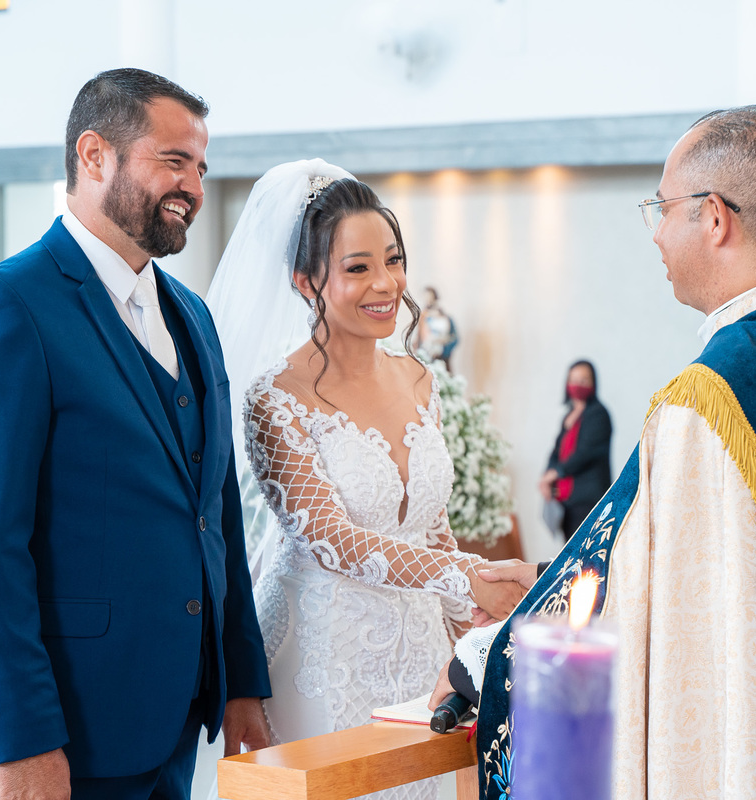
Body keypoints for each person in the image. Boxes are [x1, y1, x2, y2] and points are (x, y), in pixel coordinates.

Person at [434, 105, 756, 799]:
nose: (657, 233)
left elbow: (655, 611)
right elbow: (721, 566)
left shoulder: (715, 393)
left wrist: (498, 645)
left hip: (755, 742)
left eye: (662, 208)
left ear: (715, 217)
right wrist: (545, 573)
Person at [0, 68, 270, 799]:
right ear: (93, 155)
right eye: (172, 161)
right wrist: (22, 740)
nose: (194, 187)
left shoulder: (192, 315)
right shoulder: (2, 308)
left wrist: (241, 680)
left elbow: (218, 512)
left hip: (176, 717)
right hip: (59, 733)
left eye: (201, 167)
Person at [207, 161, 525, 800]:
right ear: (305, 282)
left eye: (394, 259)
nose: (386, 283)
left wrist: (467, 620)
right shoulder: (276, 397)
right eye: (357, 267)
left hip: (419, 651)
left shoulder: (419, 378)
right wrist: (468, 577)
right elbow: (329, 538)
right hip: (321, 651)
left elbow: (431, 525)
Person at [537, 360, 612, 540]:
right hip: (566, 501)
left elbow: (584, 454)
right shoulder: (568, 417)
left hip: (589, 500)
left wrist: (556, 473)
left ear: (593, 383)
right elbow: (556, 452)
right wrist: (546, 476)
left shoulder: (599, 414)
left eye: (584, 380)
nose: (578, 385)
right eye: (574, 380)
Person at [410, 287, 458, 368]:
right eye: (425, 297)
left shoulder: (446, 318)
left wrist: (444, 348)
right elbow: (419, 336)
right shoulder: (423, 316)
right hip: (426, 355)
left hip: (441, 358)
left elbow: (454, 338)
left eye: (429, 296)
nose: (427, 300)